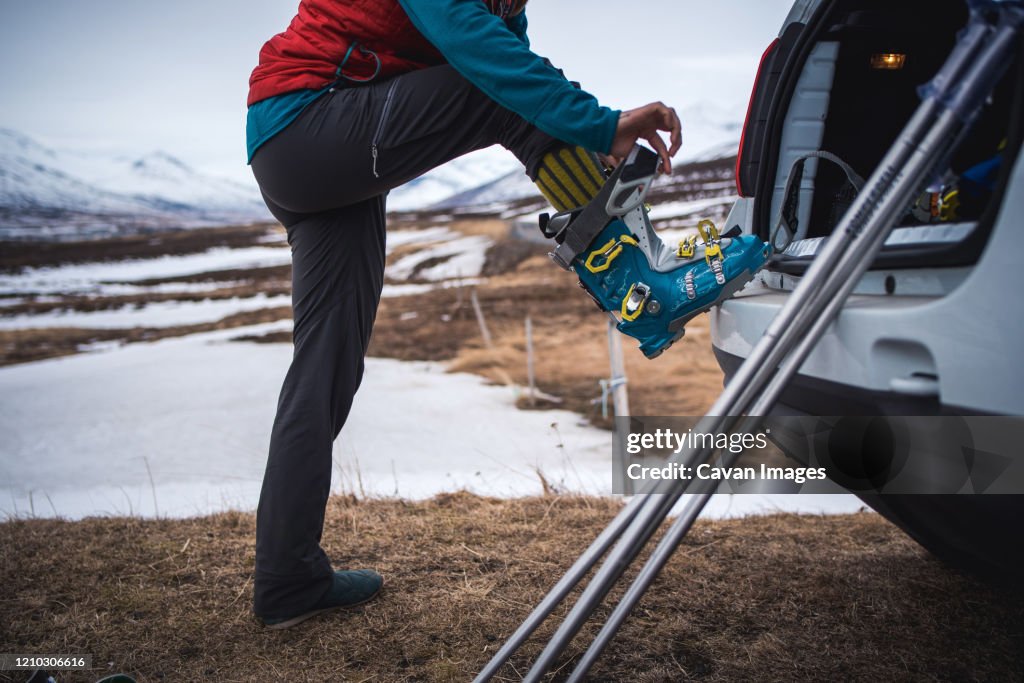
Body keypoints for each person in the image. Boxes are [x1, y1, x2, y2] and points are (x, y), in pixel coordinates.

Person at [246, 0, 684, 629]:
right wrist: (601, 124)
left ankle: (287, 581)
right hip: (307, 123)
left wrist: (588, 140)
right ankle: (634, 281)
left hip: (305, 150)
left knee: (324, 370)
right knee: (495, 86)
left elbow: (518, 61)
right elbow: (487, 63)